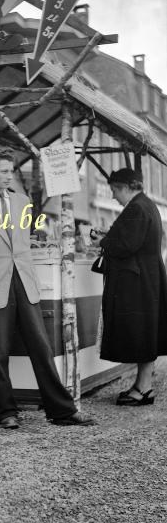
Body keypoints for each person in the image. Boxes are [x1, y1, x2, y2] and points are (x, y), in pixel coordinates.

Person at [0, 146, 95, 429]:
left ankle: (62, 411)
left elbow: (23, 242)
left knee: (41, 347)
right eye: (4, 171)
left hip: (25, 283)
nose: (10, 175)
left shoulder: (22, 202)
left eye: (11, 170)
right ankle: (6, 412)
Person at [91, 168, 167, 406]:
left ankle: (143, 389)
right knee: (147, 333)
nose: (113, 195)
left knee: (141, 334)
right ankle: (143, 386)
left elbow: (125, 245)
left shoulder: (136, 208)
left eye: (115, 190)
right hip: (146, 279)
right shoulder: (147, 205)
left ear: (125, 187)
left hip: (137, 283)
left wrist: (102, 241)